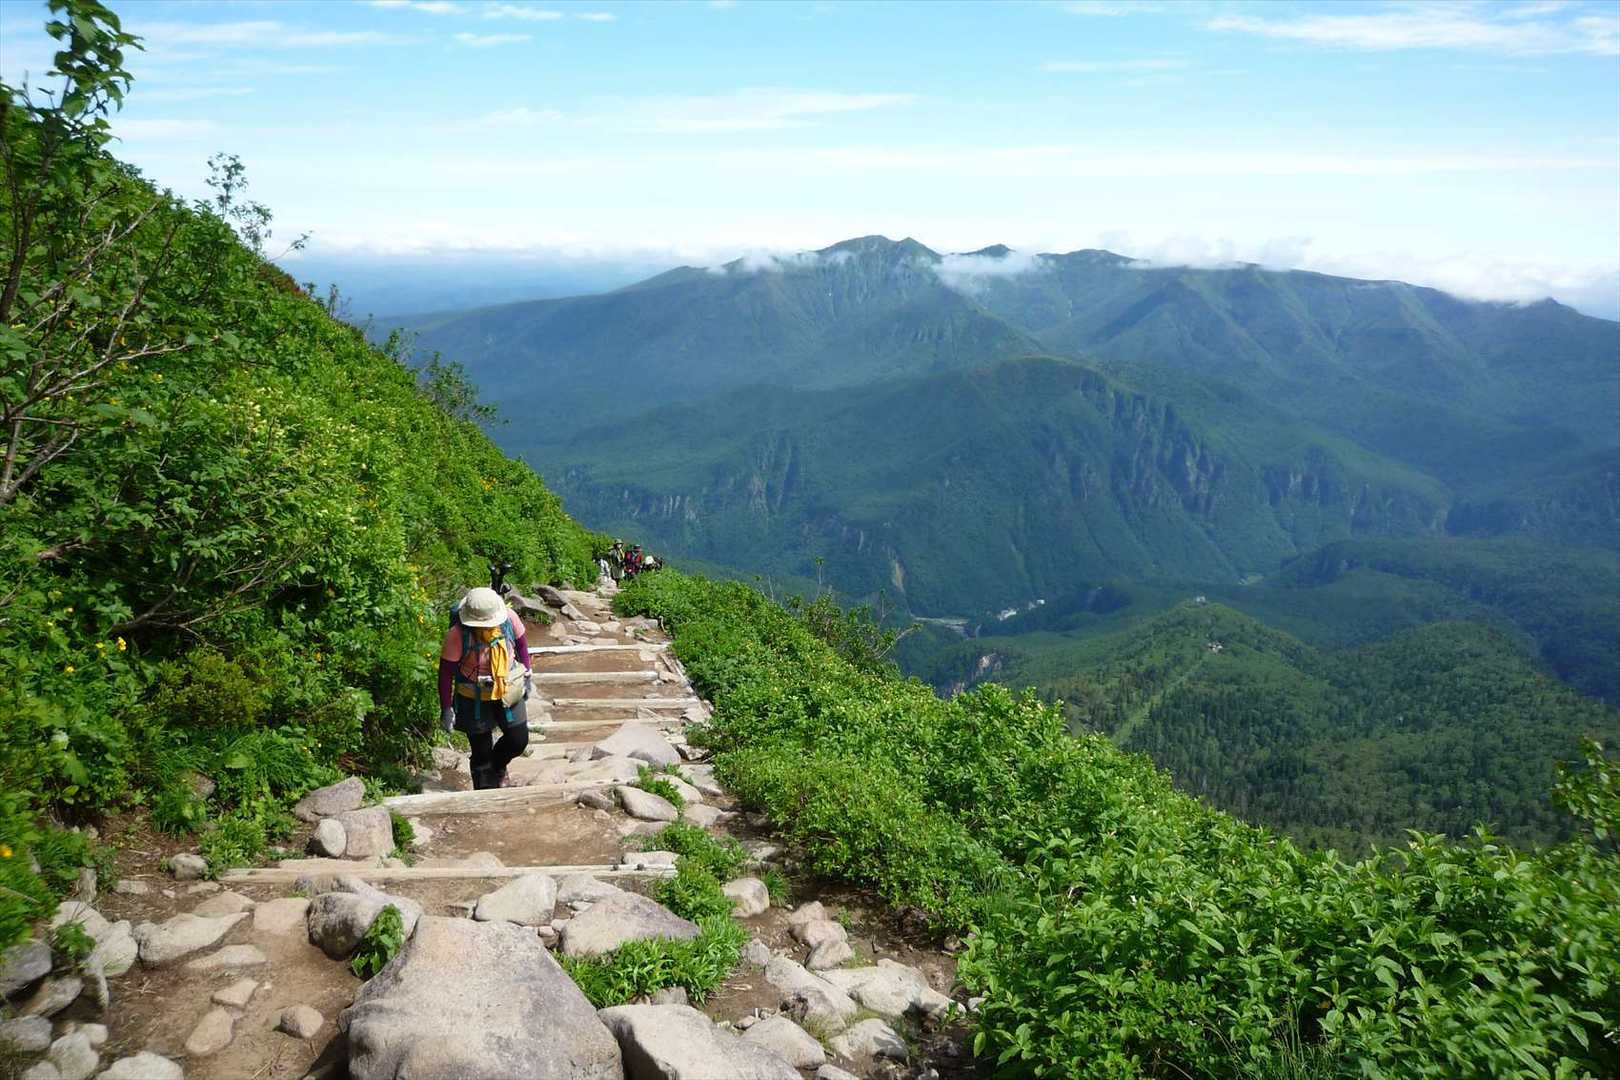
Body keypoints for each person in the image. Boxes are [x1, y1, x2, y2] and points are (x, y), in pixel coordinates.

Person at [439, 586, 530, 789]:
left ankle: (498, 767)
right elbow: (445, 673)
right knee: (481, 754)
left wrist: (527, 673)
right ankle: (484, 788)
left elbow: (522, 645)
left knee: (518, 740)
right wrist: (446, 708)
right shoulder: (457, 634)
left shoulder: (509, 619)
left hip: (506, 687)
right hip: (473, 696)